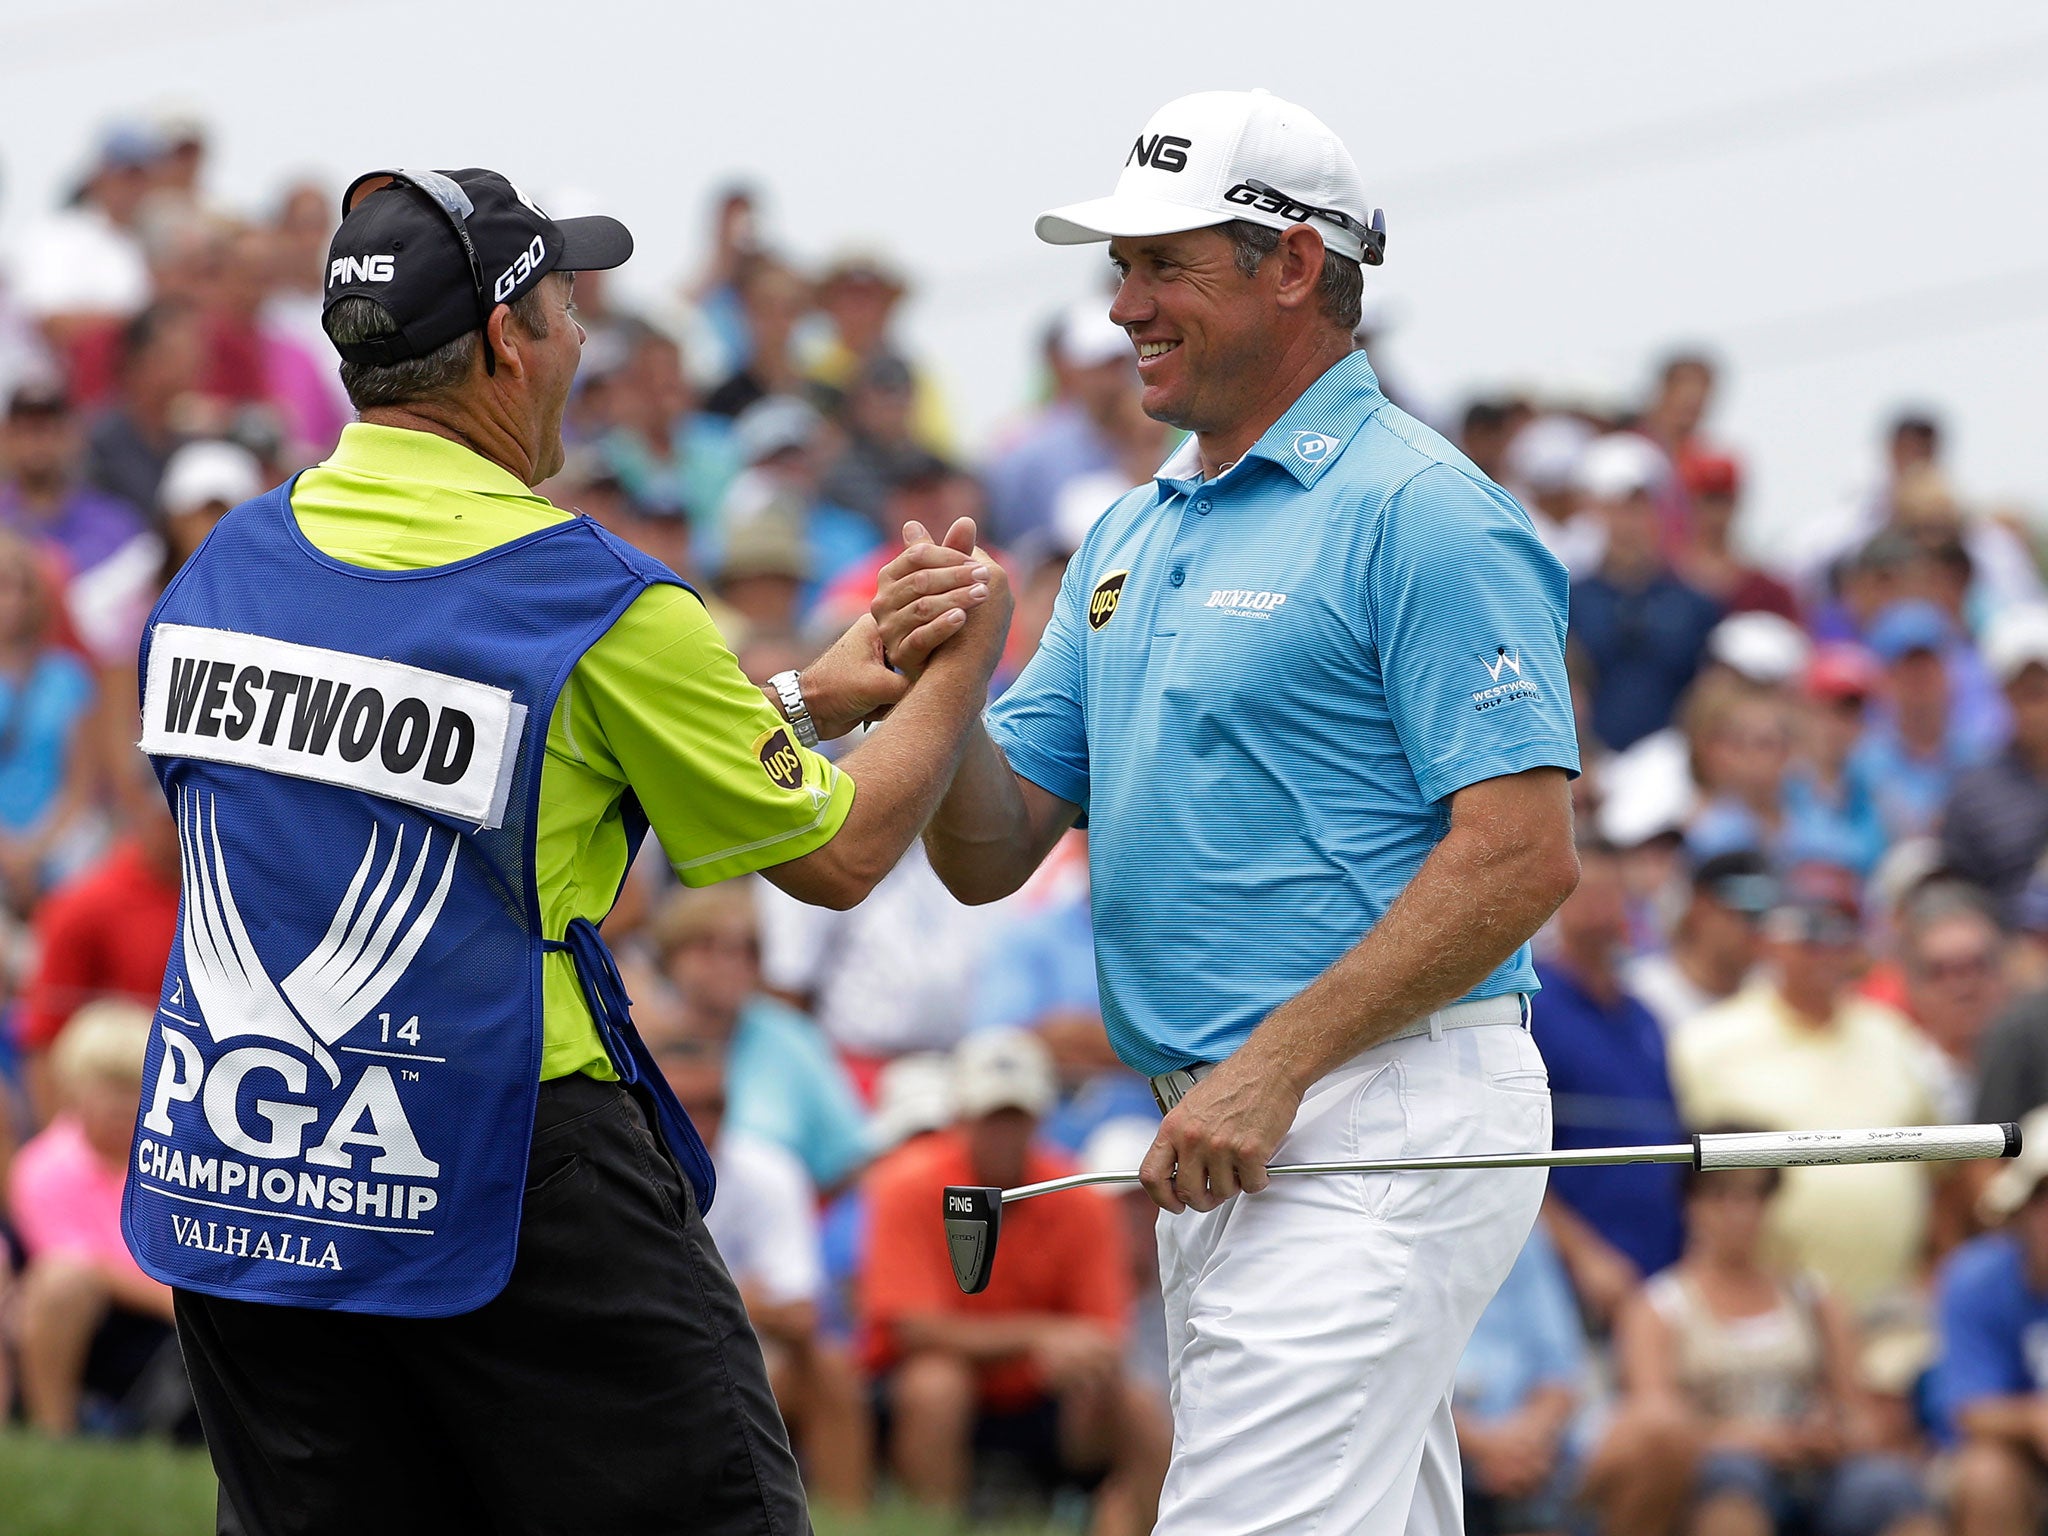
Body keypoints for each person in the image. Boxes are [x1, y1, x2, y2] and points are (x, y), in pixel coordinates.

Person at [124, 165, 1015, 1535]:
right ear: (501, 343)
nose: (584, 341)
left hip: (247, 1169)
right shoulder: (589, 595)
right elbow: (837, 858)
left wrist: (801, 700)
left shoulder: (221, 570)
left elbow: (466, 775)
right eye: (564, 308)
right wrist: (961, 665)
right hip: (509, 1154)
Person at [903, 90, 1581, 1535]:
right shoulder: (1134, 526)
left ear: (1292, 266)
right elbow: (990, 847)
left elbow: (1521, 857)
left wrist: (1273, 1068)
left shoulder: (1427, 511)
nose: (1124, 304)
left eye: (1165, 266)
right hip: (1242, 1136)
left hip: (1369, 1114)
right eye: (1122, 267)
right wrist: (952, 688)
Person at [858, 1030, 1166, 1533]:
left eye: (1015, 1117)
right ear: (961, 1117)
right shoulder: (906, 1184)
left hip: (1043, 1392)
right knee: (936, 1384)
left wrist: (1076, 1350)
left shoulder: (1077, 1198)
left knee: (1133, 1402)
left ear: (1040, 1118)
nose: (1003, 1133)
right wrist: (1042, 1336)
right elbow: (911, 1330)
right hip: (924, 1391)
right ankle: (932, 1525)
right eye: (990, 1118)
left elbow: (1102, 1334)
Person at [1616, 1152, 1938, 1536]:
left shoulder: (1813, 1298)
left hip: (1816, 1471)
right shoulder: (1660, 1307)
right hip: (1714, 1468)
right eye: (1721, 1195)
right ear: (1691, 1203)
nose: (1740, 1212)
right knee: (1733, 1482)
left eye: (1755, 1195)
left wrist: (1833, 1432)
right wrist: (1756, 1439)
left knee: (1891, 1486)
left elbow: (1860, 1414)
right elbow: (1657, 1431)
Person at [1668, 865, 1940, 1313]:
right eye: (1810, 931)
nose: (1828, 949)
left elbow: (1939, 1170)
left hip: (1896, 1303)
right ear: (1768, 941)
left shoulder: (1893, 1035)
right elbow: (1695, 1188)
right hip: (1772, 1312)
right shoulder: (1706, 1042)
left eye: (1843, 931)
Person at [658, 1035, 871, 1512]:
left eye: (713, 1104)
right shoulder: (616, 1174)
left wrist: (696, 1297)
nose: (701, 1121)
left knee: (829, 1364)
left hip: (743, 1352)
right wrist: (739, 1297)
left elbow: (800, 1316)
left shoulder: (770, 1171)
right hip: (655, 1352)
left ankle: (849, 1516)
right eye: (684, 1105)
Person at [10, 1001, 187, 1437]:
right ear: (73, 1088)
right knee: (62, 1282)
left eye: (136, 1087)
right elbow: (74, 1263)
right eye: (109, 1086)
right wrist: (171, 1301)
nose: (124, 1103)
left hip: (166, 1326)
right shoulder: (44, 1165)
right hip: (97, 1326)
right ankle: (54, 1429)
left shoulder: (172, 1164)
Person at [1531, 838, 1687, 1322]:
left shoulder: (1644, 1018)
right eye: (1587, 892)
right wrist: (1581, 1254)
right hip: (1562, 1284)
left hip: (1658, 1277)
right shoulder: (1533, 1006)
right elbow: (1516, 1155)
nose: (1600, 907)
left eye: (1612, 892)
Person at [649, 882, 871, 1191]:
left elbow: (849, 1161)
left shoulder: (793, 1040)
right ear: (670, 956)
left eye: (747, 950)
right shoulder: (636, 1037)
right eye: (707, 945)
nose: (730, 963)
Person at [16, 793, 180, 1120]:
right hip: (115, 1120)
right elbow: (42, 1036)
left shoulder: (246, 900)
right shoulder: (83, 907)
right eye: (170, 815)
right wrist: (65, 1146)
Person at [1933, 1105, 2048, 1536]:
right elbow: (1966, 1409)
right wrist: (2034, 1420)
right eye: (2045, 1196)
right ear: (2022, 1208)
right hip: (2014, 1464)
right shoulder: (1975, 1277)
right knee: (1987, 1477)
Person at [1568, 432, 1723, 752]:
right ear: (1594, 509)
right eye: (1616, 508)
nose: (1629, 522)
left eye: (1639, 507)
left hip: (1672, 771)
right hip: (1587, 769)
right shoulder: (1567, 602)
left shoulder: (1697, 605)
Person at [1941, 604, 2048, 921]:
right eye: (2025, 692)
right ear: (2003, 695)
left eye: (2041, 690)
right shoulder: (1973, 794)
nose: (2038, 707)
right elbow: (1960, 901)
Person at [1623, 850, 1777, 1037]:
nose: (1757, 929)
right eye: (1748, 914)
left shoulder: (1774, 991)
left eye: (1765, 916)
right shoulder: (1640, 993)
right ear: (1702, 908)